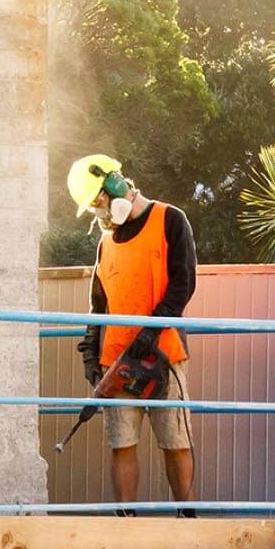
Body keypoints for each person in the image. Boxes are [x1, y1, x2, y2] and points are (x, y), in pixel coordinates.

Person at [66, 153, 198, 509]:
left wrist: (151, 332)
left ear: (115, 184)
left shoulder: (170, 220)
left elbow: (183, 284)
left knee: (176, 440)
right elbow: (99, 304)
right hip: (118, 361)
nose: (99, 212)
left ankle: (187, 520)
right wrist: (91, 353)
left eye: (98, 202)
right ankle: (127, 523)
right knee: (121, 443)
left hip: (165, 353)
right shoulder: (105, 243)